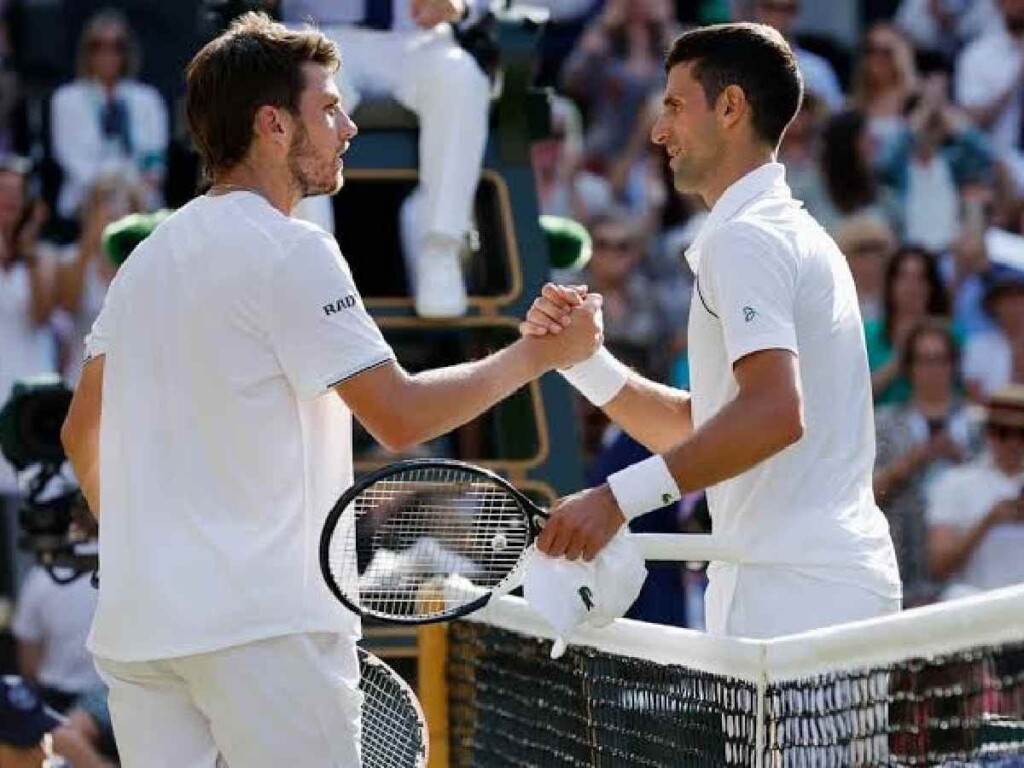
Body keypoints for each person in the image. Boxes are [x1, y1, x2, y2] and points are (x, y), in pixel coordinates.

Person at [59, 13, 601, 768]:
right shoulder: (297, 249)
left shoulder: (146, 257)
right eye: (330, 109)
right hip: (265, 633)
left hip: (139, 631)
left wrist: (141, 545)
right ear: (274, 126)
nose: (349, 125)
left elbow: (79, 432)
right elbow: (401, 417)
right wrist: (538, 355)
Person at [523, 22, 902, 639]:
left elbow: (773, 414)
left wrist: (616, 498)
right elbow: (712, 429)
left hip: (800, 598)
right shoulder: (773, 231)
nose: (657, 130)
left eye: (674, 105)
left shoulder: (749, 238)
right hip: (800, 589)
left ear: (730, 108)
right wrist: (586, 362)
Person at [277, 0, 491, 318]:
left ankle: (440, 249)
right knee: (300, 87)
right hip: (314, 36)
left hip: (417, 38)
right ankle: (313, 268)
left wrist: (459, 4)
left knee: (462, 79)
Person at [873, 319, 981, 606]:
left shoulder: (979, 425)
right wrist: (916, 459)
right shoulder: (884, 424)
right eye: (924, 360)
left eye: (940, 359)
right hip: (903, 572)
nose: (933, 370)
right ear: (909, 368)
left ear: (953, 365)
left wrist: (968, 463)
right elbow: (865, 494)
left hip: (968, 579)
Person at [50, 9, 168, 221]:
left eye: (117, 46)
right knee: (107, 204)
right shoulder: (66, 98)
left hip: (138, 198)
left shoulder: (148, 99)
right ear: (87, 51)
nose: (108, 54)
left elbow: (155, 158)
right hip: (85, 201)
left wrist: (130, 184)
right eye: (98, 46)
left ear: (127, 52)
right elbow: (70, 158)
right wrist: (110, 183)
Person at [926, 384, 1024, 600]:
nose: (1013, 443)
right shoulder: (955, 483)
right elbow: (939, 566)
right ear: (989, 433)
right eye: (1004, 433)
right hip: (977, 602)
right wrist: (988, 522)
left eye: (1021, 434)